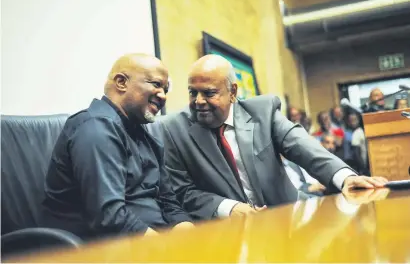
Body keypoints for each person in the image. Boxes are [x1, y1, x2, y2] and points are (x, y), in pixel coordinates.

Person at [158, 54, 387, 220]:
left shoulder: (262, 112)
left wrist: (344, 178)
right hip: (228, 233)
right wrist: (228, 208)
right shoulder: (173, 129)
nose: (198, 101)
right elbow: (183, 191)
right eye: (192, 92)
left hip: (288, 218)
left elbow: (302, 146)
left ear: (233, 92)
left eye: (209, 93)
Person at [42, 53, 193, 240]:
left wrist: (188, 233)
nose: (163, 95)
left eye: (165, 89)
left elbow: (169, 202)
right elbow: (108, 217)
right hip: (101, 249)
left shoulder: (148, 139)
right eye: (156, 84)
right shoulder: (96, 128)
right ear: (121, 82)